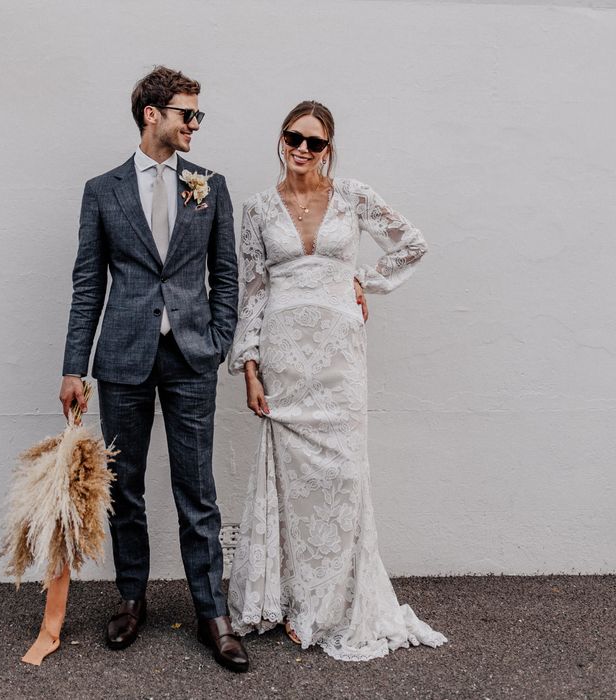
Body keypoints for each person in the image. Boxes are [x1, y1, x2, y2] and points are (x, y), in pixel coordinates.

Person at [227, 100, 447, 662]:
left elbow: (412, 242)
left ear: (329, 147)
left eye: (314, 141)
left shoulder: (351, 196)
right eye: (292, 137)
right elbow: (252, 291)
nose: (301, 148)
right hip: (284, 359)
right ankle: (298, 603)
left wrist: (363, 281)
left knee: (343, 480)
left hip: (338, 359)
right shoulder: (256, 208)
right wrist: (249, 369)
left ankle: (331, 609)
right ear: (280, 139)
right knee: (293, 486)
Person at [59, 66, 248, 672]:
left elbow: (226, 274)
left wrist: (217, 340)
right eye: (186, 114)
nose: (195, 124)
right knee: (127, 488)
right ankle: (132, 598)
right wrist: (74, 367)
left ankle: (210, 611)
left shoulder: (209, 185)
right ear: (152, 115)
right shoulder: (103, 189)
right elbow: (88, 282)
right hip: (122, 359)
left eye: (198, 114)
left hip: (191, 356)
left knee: (198, 489)